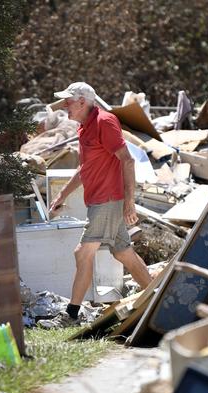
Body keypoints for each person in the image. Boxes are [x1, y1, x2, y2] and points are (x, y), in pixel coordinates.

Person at [38, 82, 152, 328]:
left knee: (82, 253)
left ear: (82, 102)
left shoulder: (104, 122)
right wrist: (62, 197)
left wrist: (129, 202)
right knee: (123, 253)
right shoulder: (83, 128)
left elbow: (127, 160)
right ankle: (156, 296)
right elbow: (84, 169)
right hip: (99, 201)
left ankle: (70, 315)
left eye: (68, 101)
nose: (65, 106)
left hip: (107, 201)